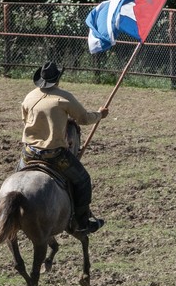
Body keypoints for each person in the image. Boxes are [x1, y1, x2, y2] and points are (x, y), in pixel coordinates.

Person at [20, 62, 109, 234]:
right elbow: (83, 118)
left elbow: (25, 121)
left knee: (17, 176)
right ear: (58, 78)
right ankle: (83, 221)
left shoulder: (29, 97)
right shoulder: (64, 97)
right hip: (54, 155)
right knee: (83, 179)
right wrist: (100, 115)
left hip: (29, 153)